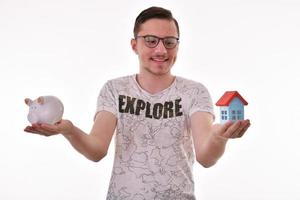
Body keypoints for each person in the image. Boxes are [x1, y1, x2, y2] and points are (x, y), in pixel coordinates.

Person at [24, 6, 251, 200]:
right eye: (151, 41)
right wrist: (69, 130)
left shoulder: (194, 92)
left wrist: (220, 137)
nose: (161, 50)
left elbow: (206, 157)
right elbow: (96, 151)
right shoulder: (114, 89)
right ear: (134, 45)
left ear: (177, 46)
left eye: (170, 42)